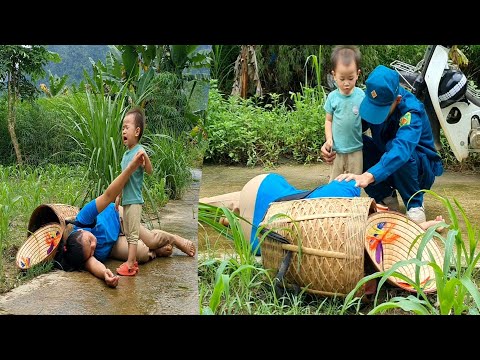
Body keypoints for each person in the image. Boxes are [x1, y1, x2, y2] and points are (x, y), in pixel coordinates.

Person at [200, 173, 446, 256]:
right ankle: (226, 214)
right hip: (260, 240)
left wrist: (428, 228)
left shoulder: (348, 189)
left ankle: (209, 208)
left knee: (238, 201)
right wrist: (428, 228)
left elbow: (394, 226)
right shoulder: (358, 237)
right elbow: (397, 229)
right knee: (239, 209)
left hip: (266, 189)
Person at [55, 149, 196, 288]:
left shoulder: (83, 219)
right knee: (140, 254)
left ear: (80, 231)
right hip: (112, 243)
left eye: (90, 241)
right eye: (92, 251)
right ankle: (156, 252)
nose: (94, 245)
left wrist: (130, 169)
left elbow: (108, 195)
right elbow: (94, 265)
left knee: (152, 241)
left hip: (118, 217)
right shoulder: (82, 254)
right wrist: (105, 275)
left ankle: (175, 239)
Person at [322, 65, 444, 224]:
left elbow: (402, 149)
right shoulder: (368, 101)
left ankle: (414, 204)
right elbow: (351, 131)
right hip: (386, 162)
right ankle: (386, 198)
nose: (374, 114)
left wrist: (368, 175)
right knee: (360, 145)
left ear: (397, 100)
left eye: (380, 110)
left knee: (396, 149)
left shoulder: (412, 111)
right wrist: (332, 144)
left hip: (418, 170)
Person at [114, 108, 152, 276]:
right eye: (122, 128)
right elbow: (123, 178)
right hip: (126, 201)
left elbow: (149, 171)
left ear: (137, 131)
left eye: (126, 127)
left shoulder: (139, 151)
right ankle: (132, 261)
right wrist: (118, 196)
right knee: (129, 233)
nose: (123, 131)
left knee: (134, 234)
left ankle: (130, 263)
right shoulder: (125, 156)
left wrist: (145, 157)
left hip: (135, 200)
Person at [324, 45, 365, 181]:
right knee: (335, 183)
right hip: (337, 151)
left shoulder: (361, 95)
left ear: (358, 74)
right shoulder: (333, 97)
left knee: (354, 183)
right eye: (342, 79)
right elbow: (328, 120)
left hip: (356, 150)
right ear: (334, 75)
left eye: (351, 78)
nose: (346, 83)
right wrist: (329, 139)